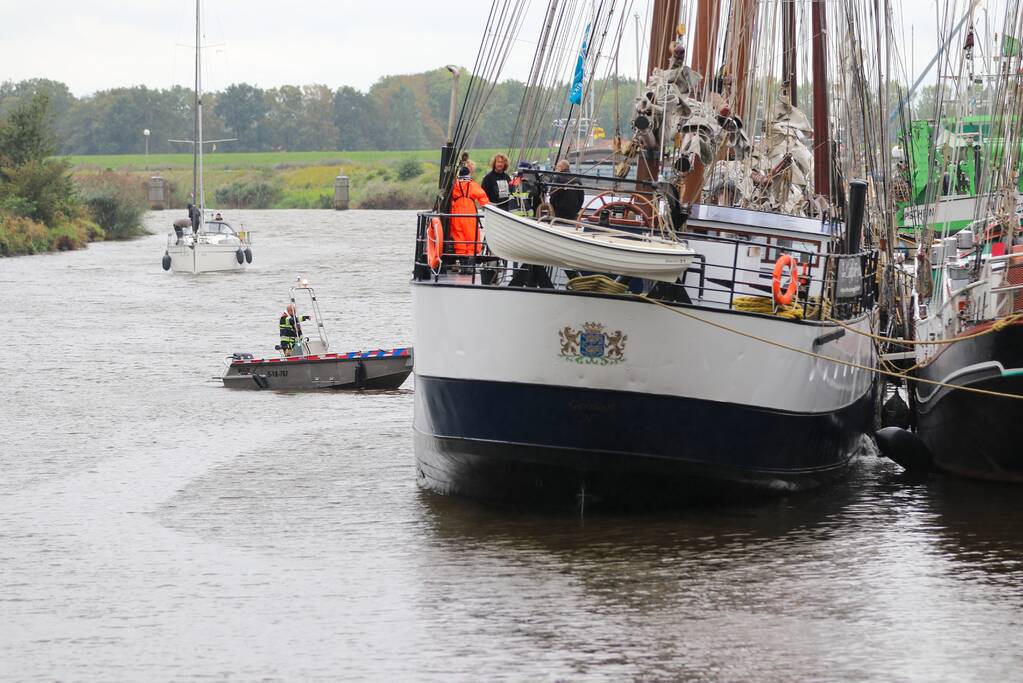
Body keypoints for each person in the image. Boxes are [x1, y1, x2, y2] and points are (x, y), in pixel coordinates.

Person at [449, 166, 489, 256]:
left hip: (456, 214)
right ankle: (470, 260)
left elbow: (449, 199)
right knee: (472, 237)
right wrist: (488, 208)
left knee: (459, 237)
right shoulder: (472, 184)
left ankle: (461, 259)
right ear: (468, 174)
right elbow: (483, 198)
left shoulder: (454, 185)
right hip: (469, 214)